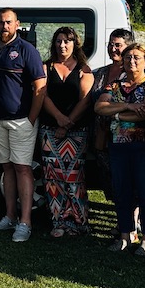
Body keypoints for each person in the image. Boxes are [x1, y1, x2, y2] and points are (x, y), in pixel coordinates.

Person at [0, 8, 47, 243]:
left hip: (21, 121)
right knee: (6, 168)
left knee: (23, 169)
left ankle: (25, 222)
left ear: (17, 24)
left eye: (8, 22)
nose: (4, 26)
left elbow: (40, 87)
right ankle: (9, 216)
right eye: (0, 22)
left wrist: (30, 118)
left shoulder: (27, 50)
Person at [94, 43, 145, 254]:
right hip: (118, 146)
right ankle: (125, 236)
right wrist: (128, 106)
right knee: (121, 192)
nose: (131, 61)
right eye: (127, 58)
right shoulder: (114, 86)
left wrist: (115, 114)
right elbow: (99, 107)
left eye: (136, 57)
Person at [39, 27, 95, 237]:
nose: (63, 45)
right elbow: (43, 95)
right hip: (49, 130)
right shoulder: (46, 67)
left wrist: (68, 123)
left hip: (76, 132)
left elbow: (86, 99)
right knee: (52, 176)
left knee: (74, 176)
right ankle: (58, 222)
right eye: (59, 41)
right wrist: (59, 119)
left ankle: (78, 222)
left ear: (75, 44)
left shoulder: (83, 68)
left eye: (67, 41)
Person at [90, 29, 133, 202]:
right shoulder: (98, 73)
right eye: (110, 44)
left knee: (128, 178)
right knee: (108, 179)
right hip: (100, 136)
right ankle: (121, 217)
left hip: (124, 135)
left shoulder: (133, 74)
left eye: (118, 45)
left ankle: (131, 221)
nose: (113, 49)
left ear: (128, 47)